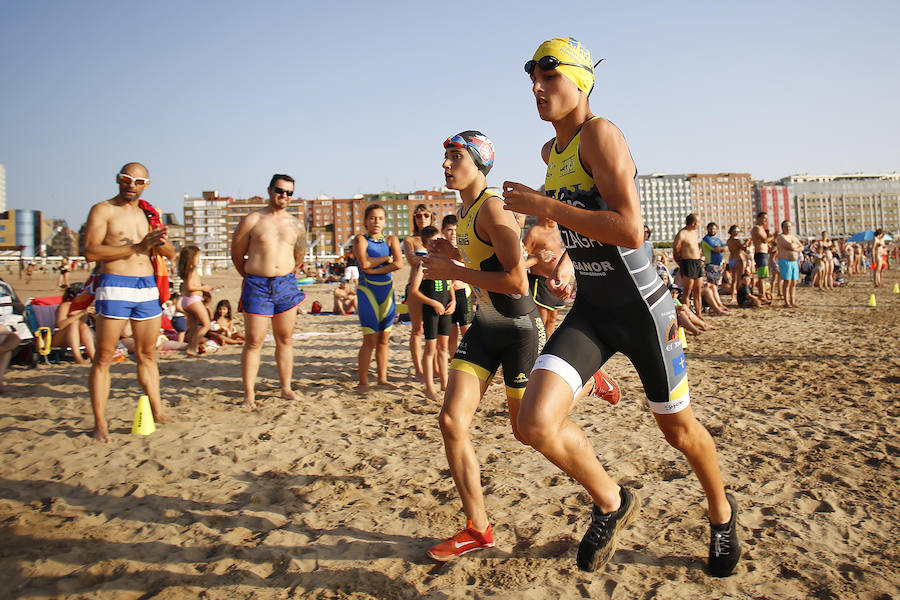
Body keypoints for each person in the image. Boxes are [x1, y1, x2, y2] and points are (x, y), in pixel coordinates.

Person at [500, 37, 739, 577]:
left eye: (549, 75)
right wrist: (556, 255)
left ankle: (721, 515)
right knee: (534, 423)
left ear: (581, 80)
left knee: (677, 431)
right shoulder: (551, 153)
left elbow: (630, 229)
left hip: (644, 313)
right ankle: (611, 500)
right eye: (531, 77)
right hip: (593, 312)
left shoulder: (601, 135)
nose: (537, 88)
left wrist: (544, 205)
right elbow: (567, 226)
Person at [421, 130, 546, 561]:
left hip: (517, 327)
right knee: (452, 422)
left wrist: (454, 271)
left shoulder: (493, 208)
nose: (446, 165)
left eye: (456, 157)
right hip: (484, 325)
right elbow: (483, 265)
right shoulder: (467, 208)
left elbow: (516, 280)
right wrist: (452, 259)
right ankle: (477, 526)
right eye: (446, 158)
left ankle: (584, 377)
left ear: (478, 163)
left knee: (526, 431)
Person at [82, 162, 176, 442]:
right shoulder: (103, 210)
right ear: (118, 179)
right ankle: (100, 423)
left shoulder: (150, 213)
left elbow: (169, 252)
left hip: (146, 286)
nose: (131, 185)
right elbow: (90, 251)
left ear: (146, 184)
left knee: (148, 355)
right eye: (126, 179)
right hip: (115, 284)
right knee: (104, 357)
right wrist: (134, 247)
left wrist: (156, 241)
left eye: (137, 181)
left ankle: (157, 410)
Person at [230, 174, 307, 409]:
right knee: (254, 340)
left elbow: (299, 255)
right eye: (279, 190)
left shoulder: (296, 224)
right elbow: (237, 252)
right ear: (270, 190)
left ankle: (286, 388)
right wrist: (250, 275)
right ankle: (249, 395)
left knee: (284, 338)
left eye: (288, 192)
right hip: (257, 284)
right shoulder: (253, 220)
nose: (283, 196)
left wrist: (287, 273)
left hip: (285, 284)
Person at [352, 203, 403, 393]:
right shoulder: (360, 240)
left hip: (387, 293)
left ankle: (382, 378)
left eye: (380, 218)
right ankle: (363, 382)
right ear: (365, 221)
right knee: (369, 340)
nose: (376, 222)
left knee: (384, 339)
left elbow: (399, 264)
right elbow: (363, 263)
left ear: (385, 221)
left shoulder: (391, 239)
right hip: (367, 293)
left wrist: (374, 269)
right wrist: (385, 259)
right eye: (372, 218)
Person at [408, 225, 455, 401]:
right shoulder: (424, 264)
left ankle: (444, 383)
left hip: (446, 308)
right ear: (425, 245)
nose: (435, 245)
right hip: (432, 309)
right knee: (430, 349)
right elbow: (414, 291)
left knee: (443, 348)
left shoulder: (445, 261)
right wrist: (433, 302)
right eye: (432, 242)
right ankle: (429, 387)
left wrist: (454, 301)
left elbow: (449, 284)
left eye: (438, 241)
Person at [403, 204, 434, 382]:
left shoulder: (436, 236)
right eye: (418, 215)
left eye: (426, 215)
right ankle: (418, 369)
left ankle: (434, 367)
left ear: (431, 217)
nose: (422, 218)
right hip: (416, 285)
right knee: (417, 329)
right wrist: (432, 257)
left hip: (435, 286)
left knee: (434, 331)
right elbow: (412, 259)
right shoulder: (410, 240)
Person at [523, 215, 567, 336]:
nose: (552, 217)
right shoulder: (534, 232)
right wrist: (538, 257)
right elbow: (522, 256)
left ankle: (546, 350)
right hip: (540, 281)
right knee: (541, 319)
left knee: (552, 319)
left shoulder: (557, 230)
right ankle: (537, 349)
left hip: (557, 280)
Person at [441, 214, 474, 357]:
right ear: (443, 231)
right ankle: (454, 359)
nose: (453, 233)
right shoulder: (441, 250)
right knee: (451, 332)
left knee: (466, 329)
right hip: (447, 295)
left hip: (462, 292)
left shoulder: (463, 249)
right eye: (449, 230)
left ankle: (472, 358)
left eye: (455, 230)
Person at [177, 245, 213, 356]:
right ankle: (192, 348)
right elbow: (190, 287)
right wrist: (203, 288)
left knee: (193, 327)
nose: (199, 258)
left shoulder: (187, 270)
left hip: (187, 300)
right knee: (206, 324)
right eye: (198, 256)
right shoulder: (192, 269)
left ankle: (191, 347)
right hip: (194, 300)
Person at [51, 284, 96, 364]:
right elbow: (60, 325)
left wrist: (94, 315)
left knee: (83, 326)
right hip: (60, 338)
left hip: (79, 337)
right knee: (74, 323)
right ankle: (78, 358)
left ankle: (93, 357)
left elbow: (97, 325)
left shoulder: (86, 306)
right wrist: (81, 313)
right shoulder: (66, 306)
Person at [673, 214, 704, 316]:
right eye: (698, 223)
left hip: (697, 262)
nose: (699, 225)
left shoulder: (694, 233)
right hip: (687, 262)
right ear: (693, 223)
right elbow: (676, 250)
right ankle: (688, 315)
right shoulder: (682, 234)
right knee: (687, 291)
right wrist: (680, 263)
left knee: (698, 289)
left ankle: (699, 314)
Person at [701, 223, 729, 315]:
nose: (713, 231)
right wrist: (721, 249)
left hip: (718, 264)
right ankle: (712, 305)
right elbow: (716, 249)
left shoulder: (717, 239)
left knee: (716, 286)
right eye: (711, 229)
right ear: (708, 229)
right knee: (711, 285)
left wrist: (721, 248)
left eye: (714, 229)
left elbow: (725, 247)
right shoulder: (706, 239)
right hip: (711, 264)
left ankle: (716, 304)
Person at [775, 221, 802, 308]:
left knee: (794, 282)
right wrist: (795, 246)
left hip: (794, 261)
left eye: (790, 227)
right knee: (787, 281)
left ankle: (792, 301)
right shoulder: (781, 237)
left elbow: (801, 247)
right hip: (785, 260)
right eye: (786, 227)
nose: (788, 228)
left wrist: (795, 248)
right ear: (782, 228)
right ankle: (786, 301)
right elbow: (789, 246)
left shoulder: (793, 237)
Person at [750, 213, 775, 301]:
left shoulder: (761, 229)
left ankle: (763, 294)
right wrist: (773, 237)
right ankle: (762, 295)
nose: (765, 220)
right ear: (759, 218)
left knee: (764, 276)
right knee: (762, 276)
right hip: (760, 253)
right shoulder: (757, 228)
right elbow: (764, 240)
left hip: (763, 253)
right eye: (764, 218)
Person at [726, 225, 751, 304]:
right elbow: (744, 248)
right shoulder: (737, 240)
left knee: (733, 279)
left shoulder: (728, 241)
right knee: (739, 279)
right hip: (738, 258)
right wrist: (747, 242)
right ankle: (738, 297)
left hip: (731, 259)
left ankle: (732, 296)